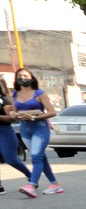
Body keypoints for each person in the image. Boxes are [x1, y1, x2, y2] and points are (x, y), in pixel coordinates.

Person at [12, 67, 61, 197]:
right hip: (24, 129)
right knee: (40, 157)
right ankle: (55, 184)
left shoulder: (39, 93)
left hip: (39, 128)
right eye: (20, 76)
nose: (23, 78)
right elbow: (14, 110)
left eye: (26, 76)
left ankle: (32, 186)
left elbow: (52, 112)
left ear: (32, 78)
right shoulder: (15, 94)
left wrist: (33, 117)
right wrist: (13, 114)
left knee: (35, 157)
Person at [0, 75, 31, 194]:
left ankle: (31, 176)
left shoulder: (5, 99)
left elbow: (11, 118)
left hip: (4, 132)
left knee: (11, 159)